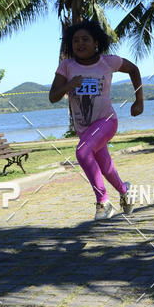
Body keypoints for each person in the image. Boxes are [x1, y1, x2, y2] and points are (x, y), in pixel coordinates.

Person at [49, 20, 144, 220]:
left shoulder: (108, 62)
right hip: (84, 128)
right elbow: (53, 96)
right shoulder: (67, 65)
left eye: (85, 39)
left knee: (82, 152)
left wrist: (139, 101)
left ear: (96, 43)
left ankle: (103, 202)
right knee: (106, 167)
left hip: (107, 121)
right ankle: (125, 191)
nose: (80, 44)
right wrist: (70, 85)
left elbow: (134, 69)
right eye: (75, 41)